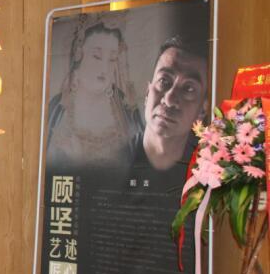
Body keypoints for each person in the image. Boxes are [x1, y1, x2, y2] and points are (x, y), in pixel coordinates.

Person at [47, 22, 143, 171]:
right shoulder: (56, 109)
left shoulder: (126, 110)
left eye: (112, 59)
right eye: (97, 57)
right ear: (79, 56)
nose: (104, 68)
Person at [131, 36, 209, 185]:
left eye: (188, 88)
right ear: (147, 93)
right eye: (164, 81)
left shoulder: (207, 174)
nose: (169, 99)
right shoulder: (109, 162)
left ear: (202, 111)